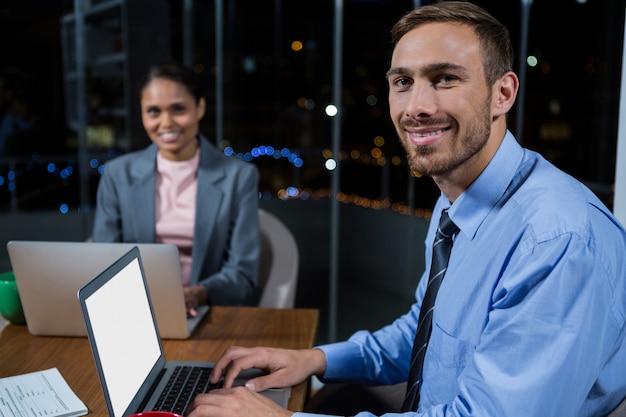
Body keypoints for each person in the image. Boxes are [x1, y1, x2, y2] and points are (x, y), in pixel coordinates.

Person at [185, 2, 626, 417]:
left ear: (503, 94)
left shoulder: (558, 240)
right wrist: (313, 358)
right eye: (403, 82)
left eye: (445, 79)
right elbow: (426, 334)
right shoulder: (457, 200)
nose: (416, 107)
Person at [92, 62, 261, 313]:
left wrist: (196, 295)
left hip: (208, 312)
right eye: (153, 112)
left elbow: (243, 273)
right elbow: (103, 259)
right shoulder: (118, 174)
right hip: (135, 310)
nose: (166, 123)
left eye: (178, 109)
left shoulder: (239, 176)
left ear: (200, 107)